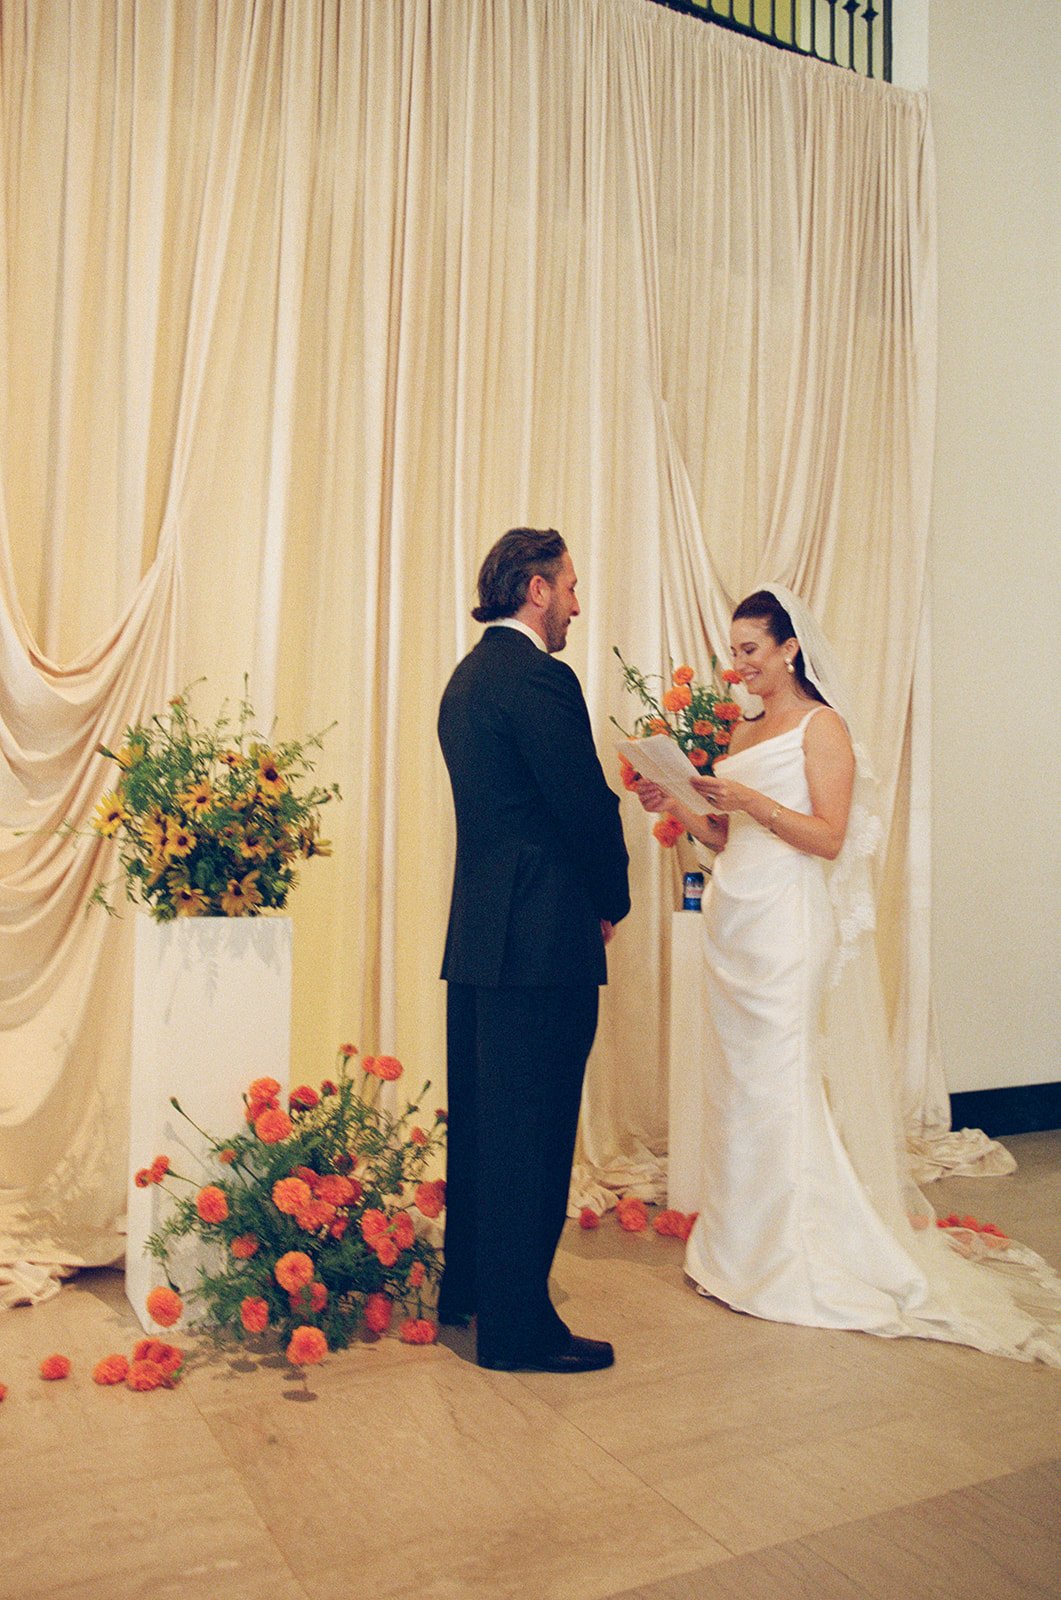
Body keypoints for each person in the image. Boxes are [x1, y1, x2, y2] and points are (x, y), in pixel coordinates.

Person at [635, 586, 1061, 1364]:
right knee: (737, 1088)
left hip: (788, 924)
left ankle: (794, 1256)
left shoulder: (822, 726)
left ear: (789, 648)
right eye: (733, 652)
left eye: (750, 650)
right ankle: (736, 1252)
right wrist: (674, 799)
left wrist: (751, 798)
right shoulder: (740, 725)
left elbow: (827, 838)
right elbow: (724, 839)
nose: (738, 666)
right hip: (737, 919)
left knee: (777, 1084)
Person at [437, 527, 630, 1372]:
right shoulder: (540, 679)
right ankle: (516, 1332)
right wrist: (612, 898)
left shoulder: (465, 680)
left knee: (487, 1128)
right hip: (543, 937)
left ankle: (472, 1295)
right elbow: (582, 806)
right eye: (571, 587)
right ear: (535, 589)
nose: (578, 607)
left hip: (480, 938)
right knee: (538, 1132)